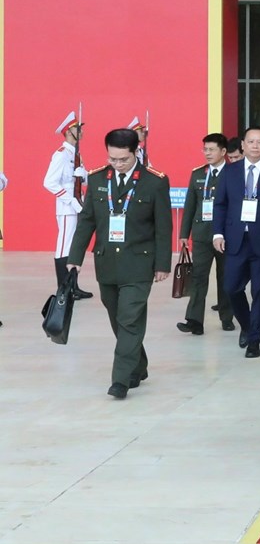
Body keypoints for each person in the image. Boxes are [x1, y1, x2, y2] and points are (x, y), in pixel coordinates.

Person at [67, 128, 172, 398]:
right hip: (107, 263)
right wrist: (75, 258)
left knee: (129, 318)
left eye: (123, 159)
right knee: (119, 318)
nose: (117, 164)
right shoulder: (97, 178)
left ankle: (121, 380)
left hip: (139, 263)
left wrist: (163, 264)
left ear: (136, 152)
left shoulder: (154, 182)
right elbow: (87, 221)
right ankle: (138, 364)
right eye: (112, 158)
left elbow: (163, 227)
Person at [212, 126, 260, 358]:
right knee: (231, 287)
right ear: (243, 146)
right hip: (235, 238)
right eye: (251, 142)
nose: (255, 146)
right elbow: (220, 204)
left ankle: (254, 339)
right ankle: (246, 325)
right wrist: (217, 233)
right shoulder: (230, 171)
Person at [176, 134, 233, 335]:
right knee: (198, 276)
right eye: (205, 149)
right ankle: (194, 320)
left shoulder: (233, 173)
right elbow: (190, 205)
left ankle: (227, 317)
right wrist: (184, 233)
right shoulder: (198, 174)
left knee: (226, 277)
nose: (207, 153)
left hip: (226, 236)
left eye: (211, 149)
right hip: (201, 234)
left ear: (223, 151)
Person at [44, 111, 93, 300]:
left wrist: (83, 175)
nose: (81, 132)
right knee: (64, 247)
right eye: (77, 129)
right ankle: (63, 289)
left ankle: (73, 286)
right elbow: (49, 182)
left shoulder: (75, 154)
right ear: (68, 131)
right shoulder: (61, 155)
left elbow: (83, 180)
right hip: (67, 208)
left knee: (73, 247)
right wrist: (70, 200)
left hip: (77, 205)